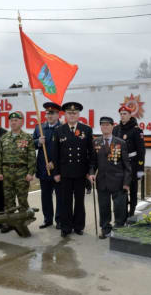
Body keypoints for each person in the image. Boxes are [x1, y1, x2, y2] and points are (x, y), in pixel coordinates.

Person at [52, 102, 94, 238]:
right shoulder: (59, 130)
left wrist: (90, 171)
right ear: (65, 114)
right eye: (69, 113)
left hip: (81, 173)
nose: (72, 115)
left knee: (80, 201)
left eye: (74, 113)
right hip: (65, 173)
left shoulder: (86, 130)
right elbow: (55, 154)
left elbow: (91, 153)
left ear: (78, 115)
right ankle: (66, 227)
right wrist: (56, 173)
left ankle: (78, 226)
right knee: (66, 201)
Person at [89, 117, 131, 239]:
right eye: (103, 125)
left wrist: (126, 183)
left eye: (108, 125)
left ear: (113, 126)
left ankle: (119, 228)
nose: (105, 127)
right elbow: (93, 163)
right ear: (100, 127)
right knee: (104, 207)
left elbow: (127, 166)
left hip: (118, 181)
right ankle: (105, 228)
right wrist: (91, 173)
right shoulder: (96, 142)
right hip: (102, 181)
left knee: (119, 207)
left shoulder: (120, 143)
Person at [0, 112, 36, 234]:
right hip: (7, 172)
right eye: (11, 121)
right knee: (8, 200)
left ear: (21, 122)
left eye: (16, 120)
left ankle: (23, 222)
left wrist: (30, 172)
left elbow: (32, 157)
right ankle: (10, 223)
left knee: (22, 199)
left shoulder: (27, 137)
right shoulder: (4, 137)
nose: (13, 122)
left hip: (21, 173)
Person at [33, 102, 62, 229]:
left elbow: (66, 150)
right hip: (43, 168)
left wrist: (54, 163)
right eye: (47, 113)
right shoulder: (39, 127)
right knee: (46, 196)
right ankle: (47, 219)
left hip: (58, 169)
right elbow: (31, 144)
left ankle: (60, 220)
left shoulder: (63, 128)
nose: (49, 116)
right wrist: (38, 142)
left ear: (58, 114)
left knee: (60, 196)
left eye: (52, 113)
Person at [112, 105, 145, 217]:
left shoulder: (136, 130)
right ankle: (123, 213)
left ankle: (131, 213)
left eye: (125, 114)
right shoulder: (116, 129)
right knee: (121, 189)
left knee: (133, 190)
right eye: (121, 114)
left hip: (133, 164)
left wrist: (140, 169)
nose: (122, 116)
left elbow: (141, 151)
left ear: (130, 115)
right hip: (120, 165)